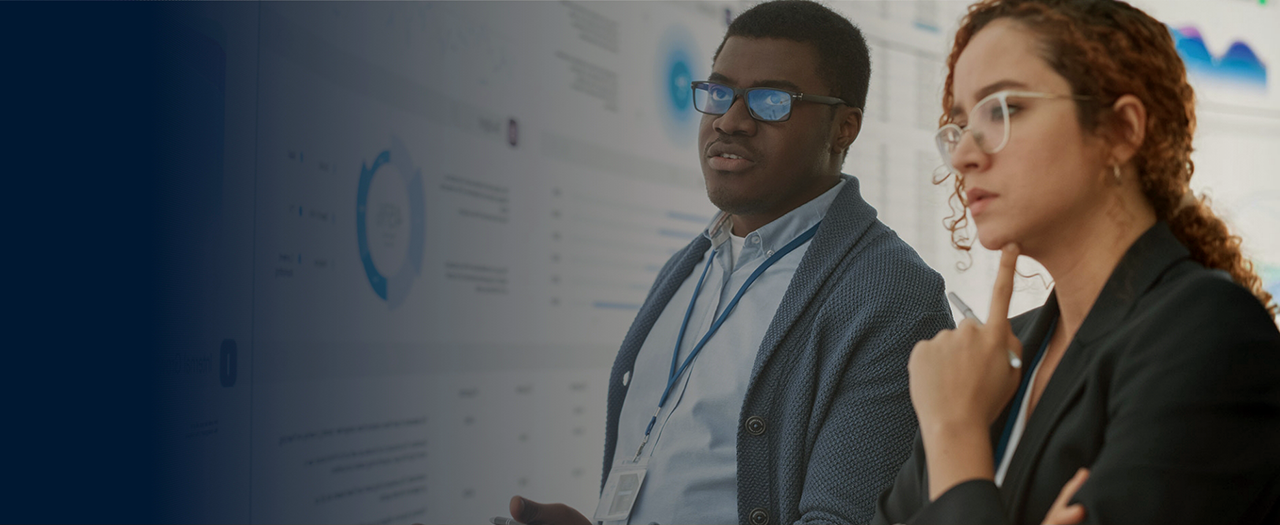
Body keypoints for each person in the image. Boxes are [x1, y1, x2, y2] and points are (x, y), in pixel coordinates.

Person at [506, 2, 953, 524]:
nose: (730, 120)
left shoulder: (894, 297)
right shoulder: (688, 265)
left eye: (770, 101)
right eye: (719, 92)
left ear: (843, 128)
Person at [872, 0, 1280, 523]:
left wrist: (956, 436)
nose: (962, 155)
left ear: (1121, 130)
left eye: (1003, 109)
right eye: (958, 125)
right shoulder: (989, 361)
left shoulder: (1211, 333)